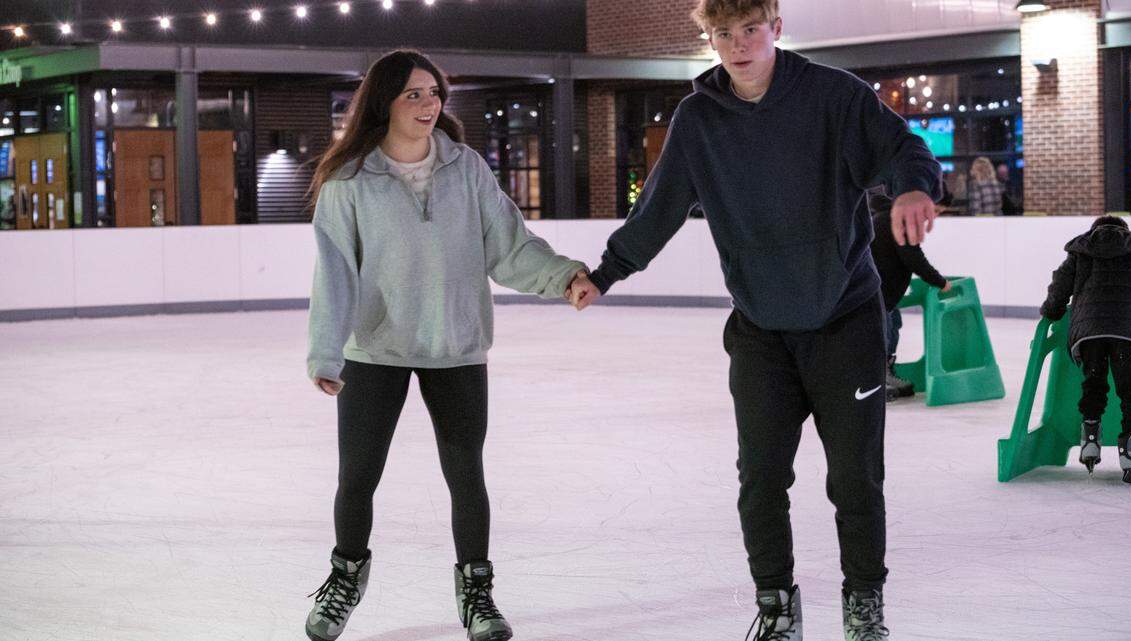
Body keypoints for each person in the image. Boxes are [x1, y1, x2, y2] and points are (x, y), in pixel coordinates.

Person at [566, 0, 941, 638]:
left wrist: (912, 185)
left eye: (749, 30)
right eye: (722, 34)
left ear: (775, 28)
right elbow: (658, 209)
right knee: (761, 479)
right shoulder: (697, 119)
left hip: (845, 323)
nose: (737, 45)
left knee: (856, 478)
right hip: (761, 331)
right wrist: (607, 271)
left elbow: (903, 147)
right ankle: (776, 607)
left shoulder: (831, 96)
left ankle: (863, 605)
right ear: (708, 38)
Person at [305, 50, 587, 641]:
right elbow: (335, 273)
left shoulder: (467, 169)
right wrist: (326, 351)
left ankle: (477, 593)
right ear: (384, 101)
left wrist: (561, 275)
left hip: (455, 344)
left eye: (434, 92)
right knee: (358, 475)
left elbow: (509, 246)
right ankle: (345, 578)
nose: (428, 103)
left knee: (466, 474)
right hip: (374, 350)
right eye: (414, 93)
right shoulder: (348, 180)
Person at [1040, 215, 1131, 483]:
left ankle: (1091, 441)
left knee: (1093, 384)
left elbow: (1060, 286)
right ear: (1124, 231)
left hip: (1089, 333)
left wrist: (1052, 310)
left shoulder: (1080, 251)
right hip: (1129, 332)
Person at [867, 190, 951, 402]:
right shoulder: (898, 220)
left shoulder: (888, 215)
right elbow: (913, 258)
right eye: (936, 211)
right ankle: (875, 380)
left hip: (883, 294)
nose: (933, 217)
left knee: (893, 327)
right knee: (882, 335)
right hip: (876, 293)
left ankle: (885, 373)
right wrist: (941, 282)